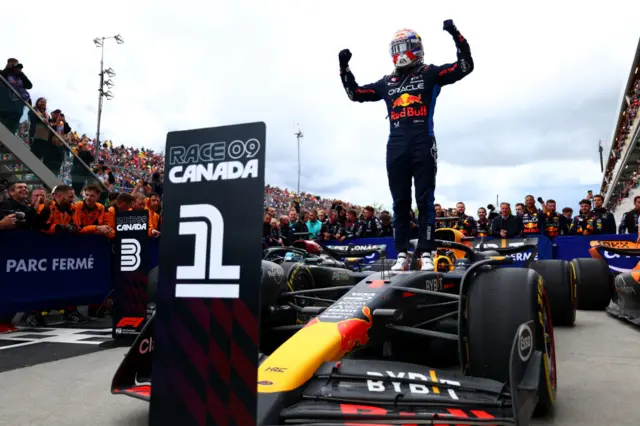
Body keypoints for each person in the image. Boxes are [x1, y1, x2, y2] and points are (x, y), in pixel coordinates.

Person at [339, 19, 474, 271]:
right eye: (397, 48)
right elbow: (355, 94)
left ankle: (425, 252)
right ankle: (401, 253)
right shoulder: (386, 82)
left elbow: (465, 66)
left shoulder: (431, 73)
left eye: (406, 47)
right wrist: (344, 67)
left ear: (417, 48)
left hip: (423, 141)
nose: (401, 53)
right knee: (399, 202)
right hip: (396, 145)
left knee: (425, 200)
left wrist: (455, 34)